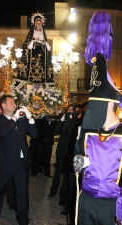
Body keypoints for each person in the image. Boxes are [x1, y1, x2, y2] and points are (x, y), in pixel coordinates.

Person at [74, 11, 122, 225]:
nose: (91, 115)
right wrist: (79, 163)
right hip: (86, 202)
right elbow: (76, 157)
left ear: (110, 104)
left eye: (96, 109)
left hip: (112, 206)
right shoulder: (87, 130)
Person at [0, 95, 37, 225]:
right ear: (3, 106)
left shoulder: (21, 120)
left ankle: (23, 220)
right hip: (4, 164)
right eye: (11, 102)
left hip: (21, 164)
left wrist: (29, 117)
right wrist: (15, 118)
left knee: (22, 194)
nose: (14, 104)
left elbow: (34, 134)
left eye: (14, 102)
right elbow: (3, 132)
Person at [49, 104, 78, 197]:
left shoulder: (74, 120)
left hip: (69, 151)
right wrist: (62, 120)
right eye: (68, 109)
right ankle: (53, 190)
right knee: (57, 171)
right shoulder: (64, 118)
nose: (68, 111)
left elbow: (68, 130)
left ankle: (64, 194)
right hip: (61, 149)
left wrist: (69, 118)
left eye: (71, 110)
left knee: (67, 174)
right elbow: (57, 129)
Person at [20, 12, 53, 83]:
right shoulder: (31, 33)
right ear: (35, 24)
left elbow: (46, 43)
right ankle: (30, 78)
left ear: (42, 24)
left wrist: (44, 43)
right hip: (33, 52)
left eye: (40, 23)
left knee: (42, 66)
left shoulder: (43, 33)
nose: (38, 24)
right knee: (33, 65)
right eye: (37, 23)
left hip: (41, 52)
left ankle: (43, 79)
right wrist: (33, 41)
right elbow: (27, 44)